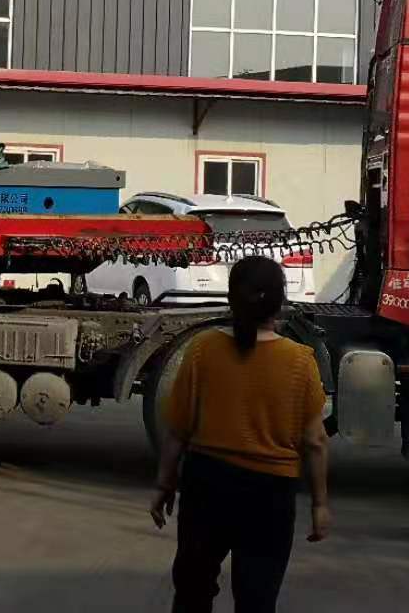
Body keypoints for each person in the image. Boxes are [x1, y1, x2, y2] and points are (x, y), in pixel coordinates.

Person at [149, 255, 330, 613]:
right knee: (257, 598)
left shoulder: (203, 350)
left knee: (192, 591)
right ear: (280, 303)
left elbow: (177, 430)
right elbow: (315, 442)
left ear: (231, 299)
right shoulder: (299, 360)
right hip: (270, 494)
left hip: (207, 484)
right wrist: (320, 504)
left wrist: (164, 485)